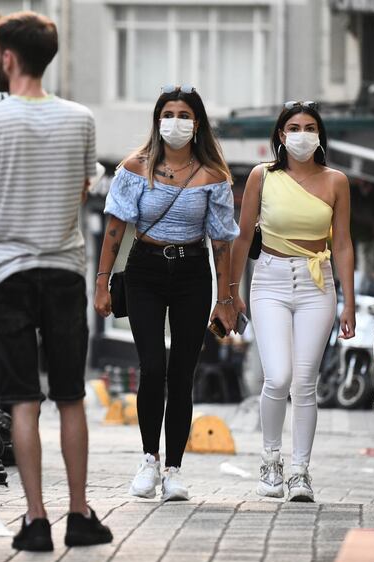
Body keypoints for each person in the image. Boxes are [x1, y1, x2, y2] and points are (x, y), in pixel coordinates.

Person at [0, 11, 112, 552]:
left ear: (8, 56)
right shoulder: (80, 118)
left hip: (6, 272)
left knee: (22, 400)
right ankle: (80, 514)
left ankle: (35, 521)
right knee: (70, 395)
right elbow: (80, 190)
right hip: (64, 271)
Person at [94, 85, 239, 502]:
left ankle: (174, 469)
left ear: (197, 124)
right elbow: (115, 232)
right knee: (152, 366)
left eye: (184, 115)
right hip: (145, 270)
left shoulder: (214, 176)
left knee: (182, 374)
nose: (176, 121)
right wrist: (101, 283)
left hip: (194, 272)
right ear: (158, 121)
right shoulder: (134, 168)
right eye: (168, 113)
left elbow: (223, 243)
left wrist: (226, 300)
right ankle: (148, 460)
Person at [228, 101, 355, 502]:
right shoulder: (260, 177)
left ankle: (300, 471)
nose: (302, 134)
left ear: (319, 135)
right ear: (281, 136)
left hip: (319, 284)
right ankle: (270, 462)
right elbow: (243, 236)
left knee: (304, 383)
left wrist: (348, 302)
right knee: (277, 377)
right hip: (269, 281)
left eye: (310, 127)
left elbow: (344, 243)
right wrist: (230, 293)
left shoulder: (337, 181)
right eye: (294, 127)